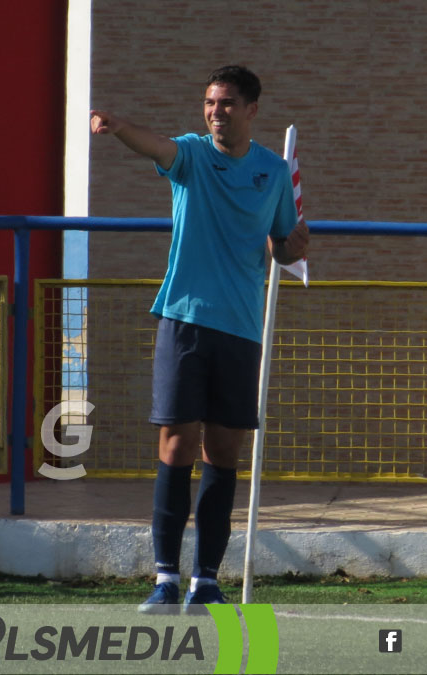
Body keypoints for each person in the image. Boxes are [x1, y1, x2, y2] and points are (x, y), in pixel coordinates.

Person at [90, 65, 308, 611]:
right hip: (184, 319)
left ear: (252, 110)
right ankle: (165, 578)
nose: (216, 112)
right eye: (210, 102)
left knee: (223, 451)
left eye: (228, 103)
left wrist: (295, 245)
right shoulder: (191, 156)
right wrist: (119, 127)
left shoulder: (274, 171)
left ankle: (205, 581)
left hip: (240, 325)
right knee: (176, 444)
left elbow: (282, 247)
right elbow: (155, 147)